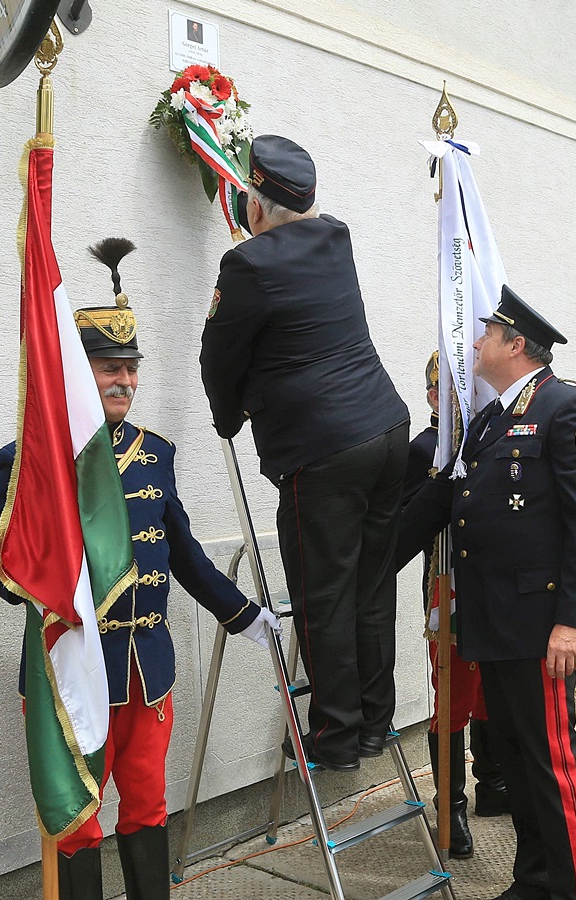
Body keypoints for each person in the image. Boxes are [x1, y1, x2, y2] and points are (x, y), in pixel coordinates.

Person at [0, 239, 278, 900]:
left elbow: (185, 552)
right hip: (73, 670)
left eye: (131, 370)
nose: (125, 382)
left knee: (146, 807)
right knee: (78, 821)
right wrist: (32, 591)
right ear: (78, 373)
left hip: (146, 669)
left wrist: (244, 614)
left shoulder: (156, 453)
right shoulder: (32, 459)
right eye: (109, 368)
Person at [201, 135, 410, 770]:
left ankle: (334, 738)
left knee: (323, 595)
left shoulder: (249, 266)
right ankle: (375, 723)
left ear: (255, 204)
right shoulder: (337, 238)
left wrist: (228, 417)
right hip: (386, 429)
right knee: (371, 588)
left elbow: (220, 358)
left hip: (323, 453)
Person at [397, 287, 576, 900]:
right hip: (492, 624)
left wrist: (573, 622)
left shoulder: (570, 410)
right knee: (518, 764)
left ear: (515, 345)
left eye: (486, 334)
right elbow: (443, 505)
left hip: (541, 629)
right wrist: (362, 564)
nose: (475, 344)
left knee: (553, 766)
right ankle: (535, 882)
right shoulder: (490, 421)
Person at [404, 352, 509, 860]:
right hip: (446, 587)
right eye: (442, 393)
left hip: (490, 585)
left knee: (490, 689)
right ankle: (452, 808)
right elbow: (404, 520)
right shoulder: (424, 447)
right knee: (454, 696)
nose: (453, 403)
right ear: (430, 396)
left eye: (461, 394)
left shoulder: (489, 441)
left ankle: (493, 783)